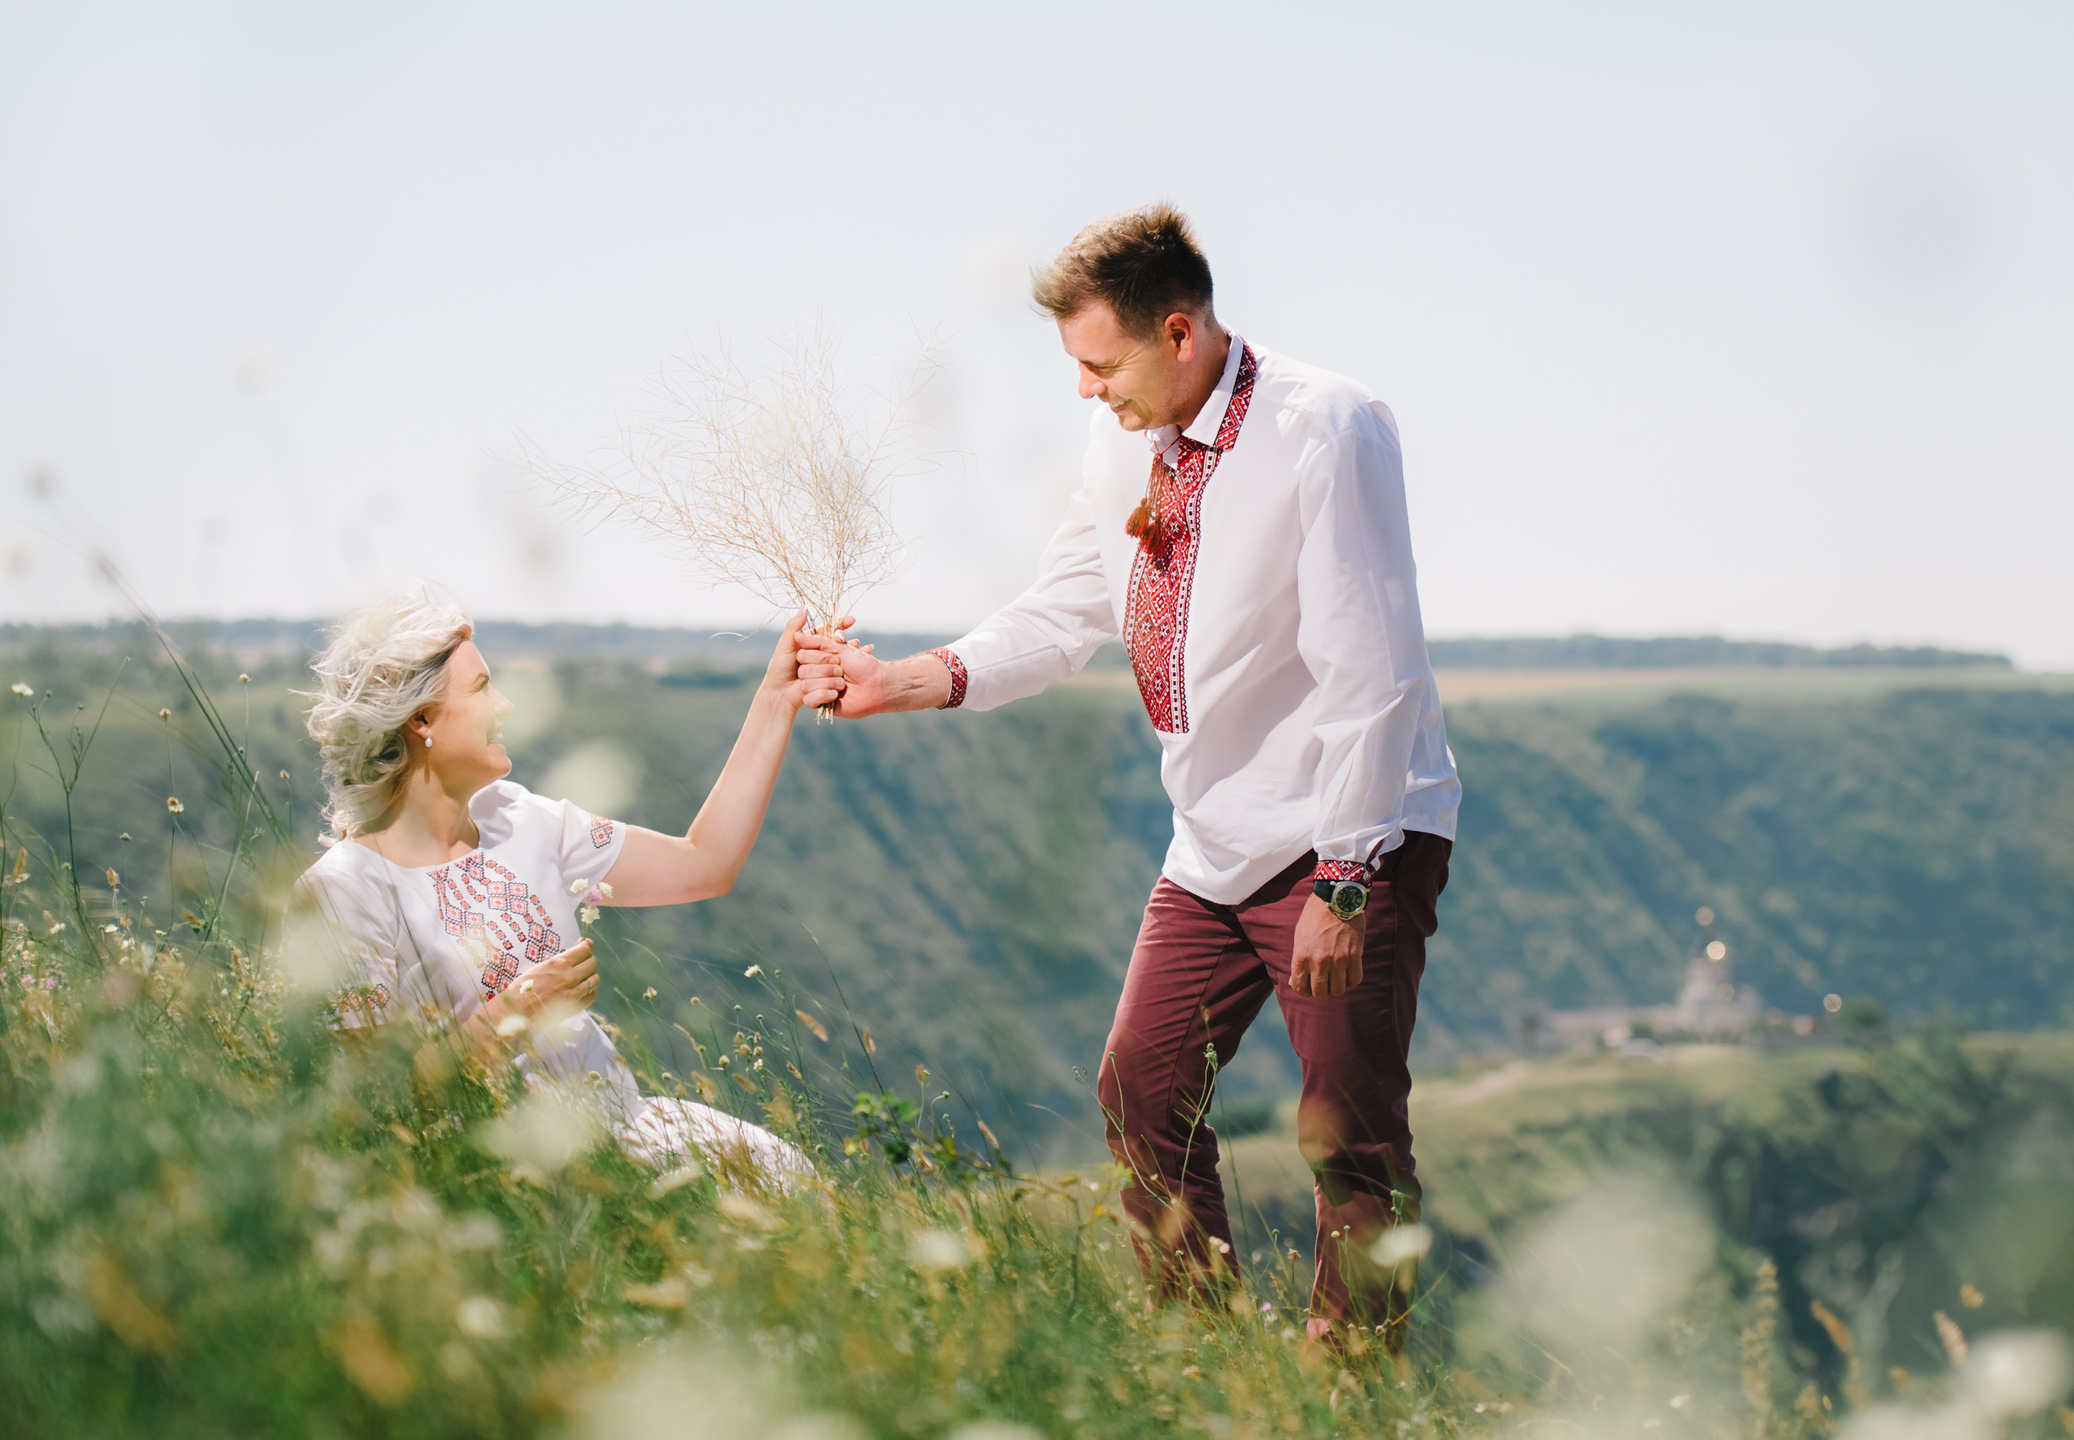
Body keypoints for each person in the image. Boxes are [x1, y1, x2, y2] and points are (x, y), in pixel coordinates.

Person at [797, 205, 1460, 1338]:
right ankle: (1204, 1360)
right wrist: (902, 680)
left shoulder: (1326, 429)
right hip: (1209, 845)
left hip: (1344, 839)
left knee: (1347, 1140)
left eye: (1099, 364)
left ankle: (1351, 1397)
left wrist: (1348, 881)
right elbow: (1067, 607)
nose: (1085, 391)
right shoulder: (1124, 434)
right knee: (1141, 1097)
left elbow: (1374, 667)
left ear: (1178, 333)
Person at [295, 588, 844, 1186]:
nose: (502, 704)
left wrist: (776, 699)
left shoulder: (522, 819)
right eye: (481, 689)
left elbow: (704, 863)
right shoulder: (344, 890)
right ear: (420, 718)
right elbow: (375, 1108)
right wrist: (515, 1010)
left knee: (790, 1177)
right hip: (504, 1174)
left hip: (625, 1131)